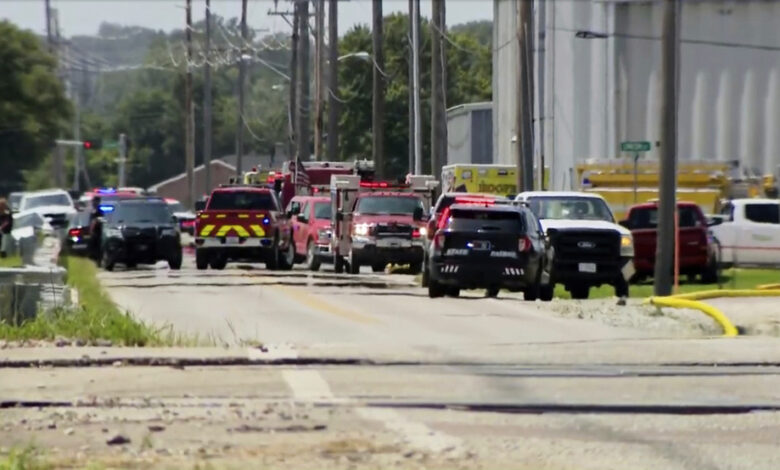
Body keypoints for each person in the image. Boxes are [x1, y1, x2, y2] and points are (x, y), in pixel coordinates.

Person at [88, 196, 105, 260]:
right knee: (93, 245)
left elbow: (100, 220)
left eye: (95, 201)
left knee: (98, 245)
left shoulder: (100, 210)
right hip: (93, 231)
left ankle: (98, 259)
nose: (93, 203)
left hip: (99, 230)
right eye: (93, 201)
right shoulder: (92, 210)